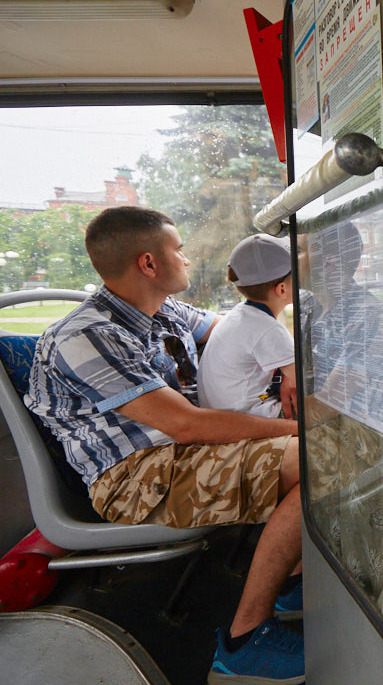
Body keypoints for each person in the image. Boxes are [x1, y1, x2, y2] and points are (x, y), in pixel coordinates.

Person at [23, 207, 304, 685]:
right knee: (318, 460)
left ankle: (291, 584)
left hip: (180, 458)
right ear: (149, 264)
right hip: (136, 477)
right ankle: (244, 643)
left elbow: (237, 331)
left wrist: (289, 365)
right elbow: (185, 425)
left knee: (329, 448)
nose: (188, 259)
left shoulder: (166, 312)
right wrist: (298, 430)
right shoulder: (85, 336)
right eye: (178, 250)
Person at [197, 234, 298, 420]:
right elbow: (305, 381)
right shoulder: (268, 329)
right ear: (282, 289)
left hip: (223, 412)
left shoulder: (239, 315)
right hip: (249, 417)